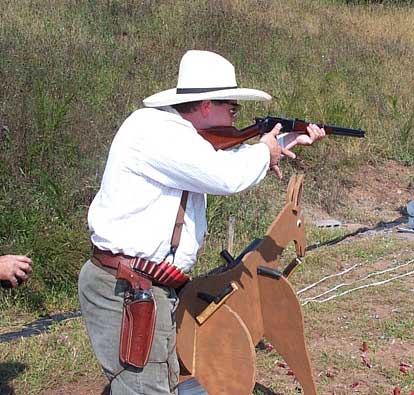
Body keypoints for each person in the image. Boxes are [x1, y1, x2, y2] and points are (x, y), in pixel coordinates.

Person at [78, 50, 325, 395]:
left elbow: (215, 162)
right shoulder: (155, 132)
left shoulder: (179, 136)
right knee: (145, 388)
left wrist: (281, 143)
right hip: (126, 288)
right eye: (232, 108)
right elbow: (224, 175)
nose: (234, 116)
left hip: (150, 287)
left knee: (160, 383)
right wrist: (263, 150)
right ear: (207, 105)